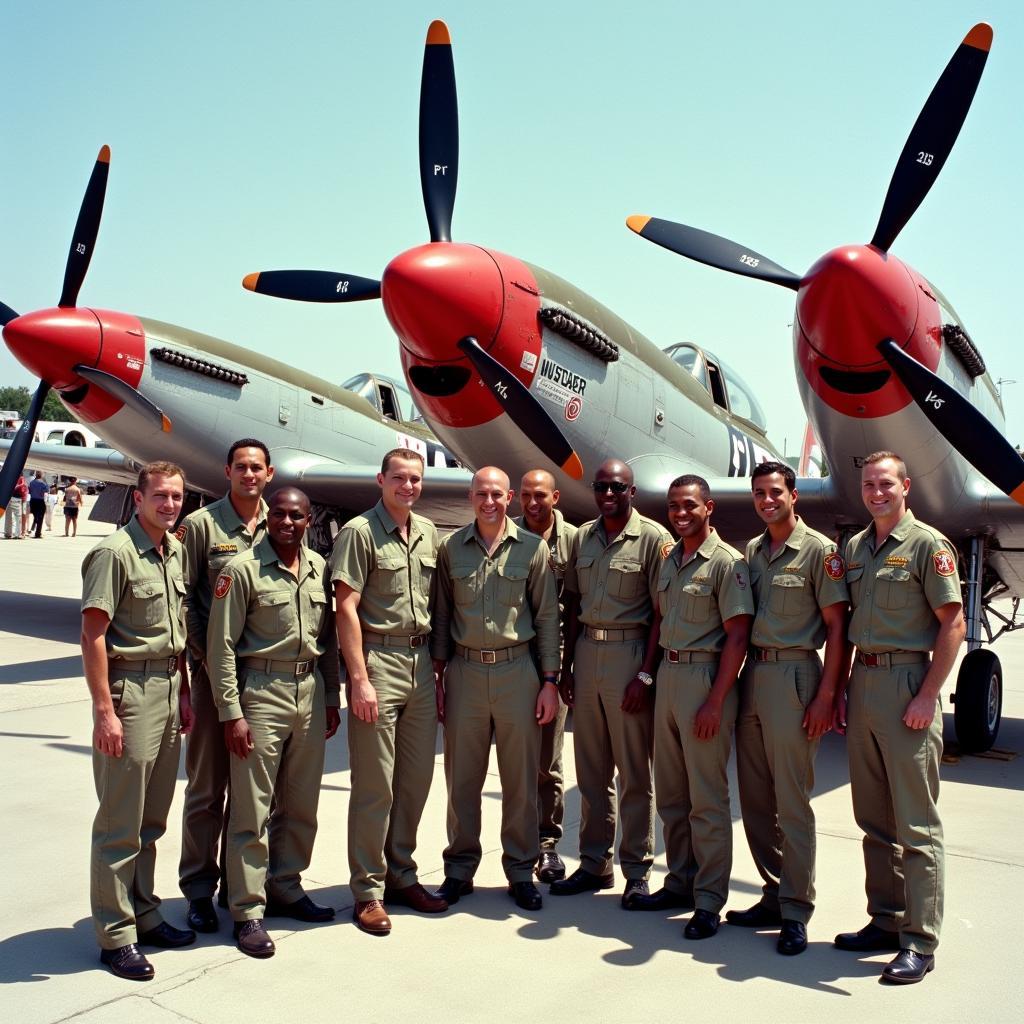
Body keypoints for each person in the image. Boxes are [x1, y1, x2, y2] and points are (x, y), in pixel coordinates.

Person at [833, 451, 964, 984]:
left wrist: (929, 695)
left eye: (886, 483)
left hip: (909, 683)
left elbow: (952, 624)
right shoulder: (857, 548)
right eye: (869, 484)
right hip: (863, 683)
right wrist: (842, 690)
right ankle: (884, 920)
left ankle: (920, 940)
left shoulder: (927, 545)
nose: (876, 492)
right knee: (873, 820)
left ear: (905, 486)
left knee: (916, 824)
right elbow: (848, 626)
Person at [207, 487, 341, 959]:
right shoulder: (241, 570)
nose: (287, 522)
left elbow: (327, 642)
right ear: (269, 520)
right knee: (252, 808)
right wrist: (232, 713)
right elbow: (221, 646)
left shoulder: (319, 569)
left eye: (297, 516)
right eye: (279, 514)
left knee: (301, 802)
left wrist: (331, 698)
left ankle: (286, 884)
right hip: (260, 694)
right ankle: (246, 908)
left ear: (309, 520)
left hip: (308, 691)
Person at [726, 461, 848, 955]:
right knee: (755, 800)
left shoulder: (820, 552)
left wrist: (826, 695)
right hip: (753, 675)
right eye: (759, 493)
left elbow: (838, 628)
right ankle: (774, 893)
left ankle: (797, 910)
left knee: (792, 802)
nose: (766, 500)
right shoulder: (753, 552)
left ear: (793, 495)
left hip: (797, 675)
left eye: (775, 491)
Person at [81, 461, 195, 981]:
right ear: (139, 497)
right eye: (161, 496)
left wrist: (186, 692)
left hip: (169, 689)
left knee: (152, 819)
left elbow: (177, 634)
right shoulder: (115, 554)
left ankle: (144, 913)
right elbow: (93, 636)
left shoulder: (171, 552)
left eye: (176, 497)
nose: (170, 505)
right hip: (130, 693)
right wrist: (105, 711)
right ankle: (115, 935)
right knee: (119, 823)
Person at [430, 467, 561, 912]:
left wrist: (549, 683)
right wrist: (440, 677)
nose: (489, 501)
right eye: (481, 493)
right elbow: (443, 617)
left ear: (511, 499)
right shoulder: (452, 548)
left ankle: (521, 871)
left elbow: (546, 619)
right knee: (461, 780)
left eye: (497, 494)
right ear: (471, 496)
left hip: (517, 672)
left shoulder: (533, 549)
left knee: (521, 780)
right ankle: (459, 869)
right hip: (465, 672)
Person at [628, 475, 752, 939]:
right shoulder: (670, 559)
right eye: (674, 506)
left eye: (690, 506)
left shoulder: (726, 564)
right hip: (669, 677)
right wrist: (647, 672)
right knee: (673, 794)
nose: (680, 514)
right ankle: (680, 881)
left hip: (706, 678)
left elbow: (738, 635)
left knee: (707, 799)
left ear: (709, 508)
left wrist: (716, 701)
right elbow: (659, 619)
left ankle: (709, 899)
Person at [330, 448, 447, 936]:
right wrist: (358, 679)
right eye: (399, 478)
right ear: (380, 480)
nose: (408, 487)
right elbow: (345, 608)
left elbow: (437, 605)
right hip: (377, 663)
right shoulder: (360, 533)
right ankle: (368, 890)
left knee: (415, 782)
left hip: (420, 666)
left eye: (415, 479)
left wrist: (437, 672)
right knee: (375, 785)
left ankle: (402, 875)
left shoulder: (428, 533)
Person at [551, 459, 671, 907]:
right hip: (587, 654)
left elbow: (662, 612)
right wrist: (566, 669)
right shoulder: (583, 537)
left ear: (632, 491)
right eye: (600, 486)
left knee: (634, 772)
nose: (607, 494)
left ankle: (637, 869)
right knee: (592, 769)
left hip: (629, 654)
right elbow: (572, 604)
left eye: (616, 487)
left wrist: (646, 672)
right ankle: (593, 863)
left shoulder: (653, 539)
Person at [176, 440, 274, 933]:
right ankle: (197, 888)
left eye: (257, 467)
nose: (249, 474)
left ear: (269, 474)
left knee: (254, 793)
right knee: (207, 788)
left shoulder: (279, 523)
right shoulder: (202, 526)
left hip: (268, 681)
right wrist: (203, 659)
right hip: (217, 676)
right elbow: (184, 598)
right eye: (241, 467)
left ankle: (242, 887)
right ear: (227, 471)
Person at [513, 469, 577, 884]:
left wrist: (563, 672)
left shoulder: (576, 541)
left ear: (555, 497)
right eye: (525, 496)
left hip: (555, 664)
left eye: (541, 495)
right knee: (508, 760)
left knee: (546, 763)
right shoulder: (507, 534)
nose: (532, 503)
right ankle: (510, 845)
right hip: (512, 662)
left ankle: (547, 845)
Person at [28, 470, 48, 538]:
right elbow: (46, 491)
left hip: (33, 501)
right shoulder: (43, 483)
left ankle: (33, 530)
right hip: (40, 501)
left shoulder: (31, 482)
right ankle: (38, 533)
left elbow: (30, 491)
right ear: (41, 475)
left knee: (35, 516)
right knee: (40, 518)